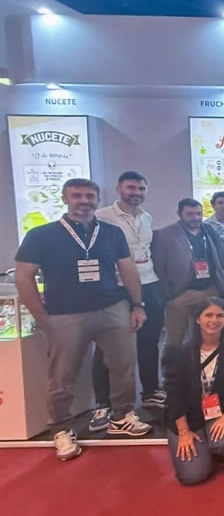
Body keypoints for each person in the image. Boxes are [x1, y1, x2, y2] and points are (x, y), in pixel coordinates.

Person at [15, 178, 151, 461]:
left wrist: (137, 305)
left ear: (98, 199)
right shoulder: (41, 235)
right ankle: (61, 428)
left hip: (112, 308)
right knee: (63, 375)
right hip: (65, 314)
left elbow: (127, 270)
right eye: (76, 195)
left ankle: (121, 416)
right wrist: (43, 318)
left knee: (124, 365)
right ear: (65, 198)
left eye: (89, 196)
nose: (84, 201)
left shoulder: (111, 233)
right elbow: (24, 277)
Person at [91, 171, 166, 434]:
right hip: (117, 287)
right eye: (131, 188)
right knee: (109, 346)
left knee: (150, 340)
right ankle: (103, 404)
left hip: (149, 283)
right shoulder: (102, 217)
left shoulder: (146, 217)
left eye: (141, 188)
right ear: (119, 189)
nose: (136, 193)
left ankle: (150, 391)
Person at [163, 297, 224, 485]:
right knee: (192, 476)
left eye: (220, 315)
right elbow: (174, 395)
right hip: (187, 416)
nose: (214, 320)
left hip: (222, 410)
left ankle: (213, 447)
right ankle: (204, 451)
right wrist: (184, 431)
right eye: (208, 315)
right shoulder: (178, 352)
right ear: (198, 319)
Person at [153, 198, 224, 352]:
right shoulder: (164, 235)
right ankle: (170, 367)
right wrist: (170, 294)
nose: (196, 218)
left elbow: (220, 258)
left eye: (199, 214)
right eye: (190, 214)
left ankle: (203, 366)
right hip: (181, 294)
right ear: (179, 214)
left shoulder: (210, 231)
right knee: (175, 339)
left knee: (208, 336)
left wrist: (219, 286)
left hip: (210, 291)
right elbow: (159, 267)